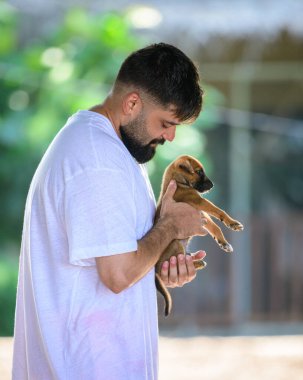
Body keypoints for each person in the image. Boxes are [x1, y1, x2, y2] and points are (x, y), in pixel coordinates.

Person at [12, 42, 207, 379]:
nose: (171, 137)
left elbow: (123, 262)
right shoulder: (97, 160)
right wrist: (171, 226)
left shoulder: (112, 152)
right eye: (166, 123)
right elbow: (116, 275)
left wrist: (162, 268)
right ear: (132, 103)